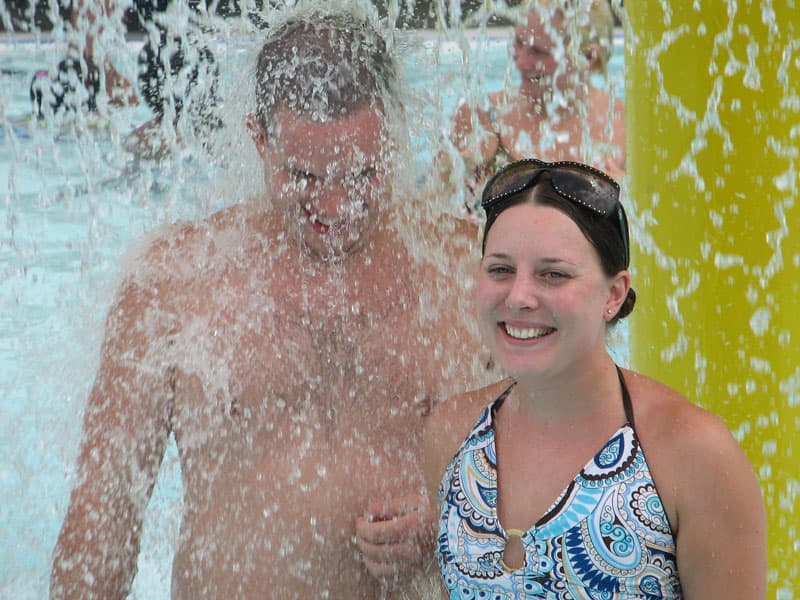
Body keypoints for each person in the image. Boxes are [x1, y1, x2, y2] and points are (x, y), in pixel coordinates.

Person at [50, 4, 488, 598]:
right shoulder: (175, 282)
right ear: (259, 137)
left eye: (361, 175)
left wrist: (456, 529)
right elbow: (102, 523)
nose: (334, 206)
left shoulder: (468, 271)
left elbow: (576, 479)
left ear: (392, 134)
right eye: (305, 176)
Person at [424, 158, 767, 598]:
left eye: (554, 274)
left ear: (613, 294)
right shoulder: (453, 435)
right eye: (501, 270)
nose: (519, 296)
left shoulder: (689, 453)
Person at [441, 0, 625, 214]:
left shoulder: (629, 130)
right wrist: (453, 168)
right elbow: (421, 221)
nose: (520, 62)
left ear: (588, 57)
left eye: (538, 52)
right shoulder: (482, 117)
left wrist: (625, 196)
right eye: (519, 42)